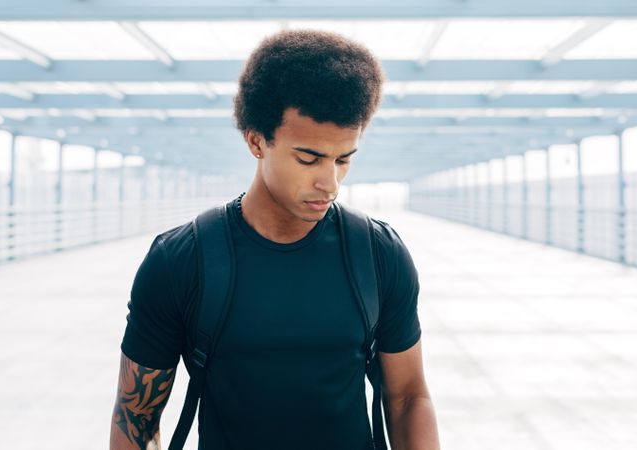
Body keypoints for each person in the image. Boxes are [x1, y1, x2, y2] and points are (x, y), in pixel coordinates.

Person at [110, 29, 440, 450]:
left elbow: (408, 396)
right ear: (256, 141)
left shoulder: (378, 254)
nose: (330, 183)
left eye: (344, 159)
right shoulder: (181, 260)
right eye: (309, 158)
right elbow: (136, 413)